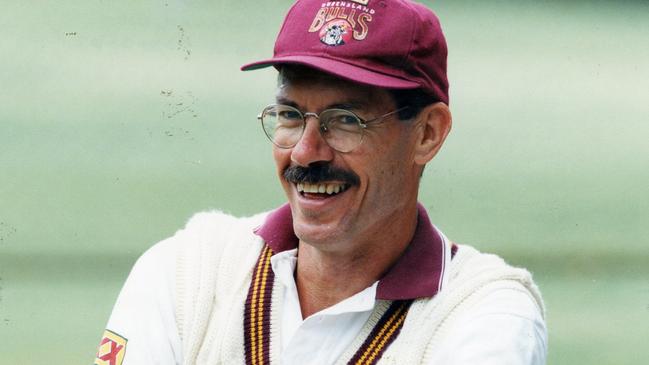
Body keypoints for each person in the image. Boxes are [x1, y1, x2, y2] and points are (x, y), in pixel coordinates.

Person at [94, 0, 547, 364]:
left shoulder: (483, 312)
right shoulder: (188, 270)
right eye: (290, 115)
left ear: (427, 134)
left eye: (345, 120)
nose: (306, 152)